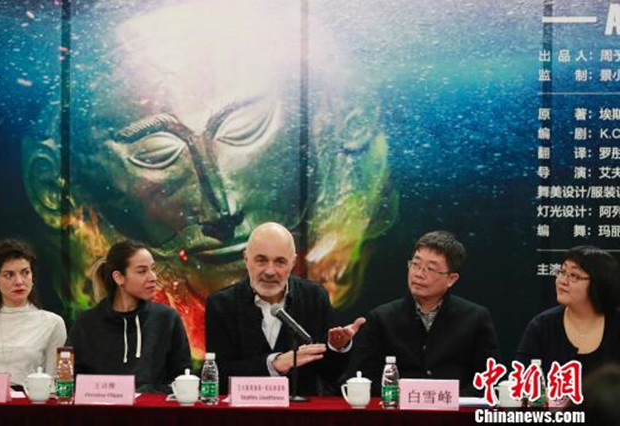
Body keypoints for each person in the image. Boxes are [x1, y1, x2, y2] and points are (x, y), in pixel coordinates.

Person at [20, 0, 394, 362]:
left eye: (244, 131)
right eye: (158, 154)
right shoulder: (106, 325)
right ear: (53, 186)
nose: (221, 208)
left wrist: (335, 347)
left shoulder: (318, 299)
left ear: (334, 122)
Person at [205, 222, 366, 395]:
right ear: (246, 259)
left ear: (293, 263)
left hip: (303, 409)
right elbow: (219, 375)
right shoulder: (221, 304)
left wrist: (336, 347)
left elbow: (330, 373)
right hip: (244, 409)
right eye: (261, 260)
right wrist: (274, 364)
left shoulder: (314, 296)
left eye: (280, 262)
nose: (270, 271)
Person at [346, 230, 499, 396]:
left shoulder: (475, 318)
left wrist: (451, 400)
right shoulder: (381, 318)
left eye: (431, 269)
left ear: (451, 279)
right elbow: (366, 378)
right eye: (415, 264)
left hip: (456, 408)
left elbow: (489, 378)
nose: (418, 274)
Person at [68, 240, 192, 393]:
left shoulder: (167, 319)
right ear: (119, 277)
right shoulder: (86, 323)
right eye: (142, 271)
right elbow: (71, 380)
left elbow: (182, 378)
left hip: (154, 407)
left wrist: (148, 394)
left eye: (153, 269)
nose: (153, 277)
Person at [517, 246, 620, 375]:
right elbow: (524, 378)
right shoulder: (542, 325)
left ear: (599, 282)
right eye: (562, 272)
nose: (562, 281)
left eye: (574, 275)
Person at [0, 239, 66, 387]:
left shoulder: (52, 323)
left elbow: (54, 383)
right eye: (9, 275)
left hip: (32, 400)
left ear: (33, 277)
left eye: (25, 273)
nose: (19, 281)